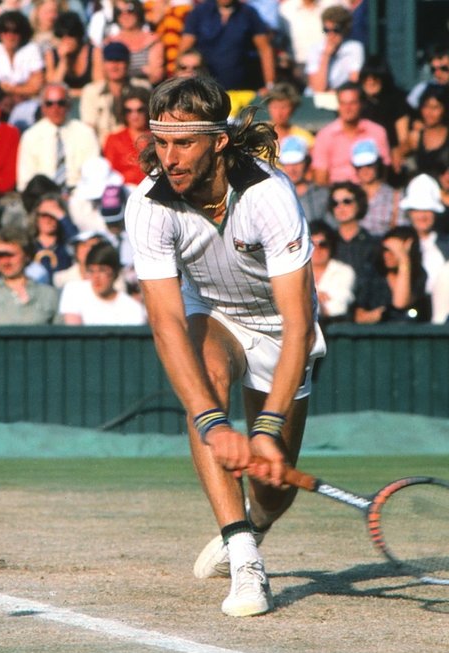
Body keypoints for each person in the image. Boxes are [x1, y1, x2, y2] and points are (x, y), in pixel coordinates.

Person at [125, 76, 326, 617]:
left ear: (218, 141)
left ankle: (254, 523)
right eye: (161, 142)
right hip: (213, 315)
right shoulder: (147, 204)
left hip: (284, 331)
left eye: (183, 142)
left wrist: (263, 431)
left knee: (274, 490)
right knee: (206, 378)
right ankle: (243, 556)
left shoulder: (269, 195)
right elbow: (167, 324)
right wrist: (214, 424)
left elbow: (298, 323)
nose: (169, 156)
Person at [17, 83, 101, 193]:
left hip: (79, 194)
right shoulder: (30, 136)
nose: (55, 109)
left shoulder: (85, 133)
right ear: (43, 107)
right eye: (49, 104)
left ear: (69, 105)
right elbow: (25, 180)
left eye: (61, 103)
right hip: (43, 195)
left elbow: (94, 173)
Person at [179, 0, 275, 95]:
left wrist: (270, 85)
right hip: (206, 89)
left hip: (242, 90)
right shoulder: (199, 12)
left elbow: (265, 49)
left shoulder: (248, 13)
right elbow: (184, 50)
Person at [311, 82, 390, 185]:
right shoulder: (325, 135)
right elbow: (321, 178)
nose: (347, 109)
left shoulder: (377, 131)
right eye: (343, 103)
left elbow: (384, 171)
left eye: (352, 103)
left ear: (361, 104)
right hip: (337, 193)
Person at [79, 42, 152, 147]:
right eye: (110, 61)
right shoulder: (91, 91)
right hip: (101, 148)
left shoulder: (142, 87)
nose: (114, 66)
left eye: (119, 61)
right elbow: (89, 127)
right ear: (103, 64)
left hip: (134, 147)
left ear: (127, 63)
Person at [353, 225, 430, 324]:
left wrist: (403, 260)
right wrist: (373, 316)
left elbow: (400, 303)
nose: (388, 255)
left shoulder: (419, 274)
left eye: (394, 251)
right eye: (386, 250)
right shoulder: (372, 273)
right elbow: (359, 315)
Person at [57, 240, 146, 325]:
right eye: (91, 271)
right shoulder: (73, 291)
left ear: (115, 272)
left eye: (102, 270)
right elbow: (74, 333)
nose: (96, 277)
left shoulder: (134, 310)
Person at [401, 84, 449, 180]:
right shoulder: (415, 136)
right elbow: (398, 155)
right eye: (425, 107)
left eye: (435, 108)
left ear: (446, 109)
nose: (429, 113)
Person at [0, 11, 46, 108]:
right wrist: (22, 88)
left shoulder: (31, 49)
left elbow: (36, 86)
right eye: (5, 31)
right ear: (0, 33)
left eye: (15, 32)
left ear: (22, 33)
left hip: (26, 101)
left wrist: (10, 90)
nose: (10, 36)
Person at [92, 1, 164, 86]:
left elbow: (156, 76)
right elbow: (99, 78)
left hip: (145, 90)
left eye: (130, 10)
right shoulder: (108, 43)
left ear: (138, 12)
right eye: (119, 12)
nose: (125, 15)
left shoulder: (152, 41)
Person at [397, 173, 447, 294]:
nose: (422, 216)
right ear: (409, 213)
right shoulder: (399, 242)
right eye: (417, 210)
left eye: (427, 210)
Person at [305, 5, 363, 94]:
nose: (331, 35)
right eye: (326, 30)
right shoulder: (315, 49)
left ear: (344, 30)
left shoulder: (354, 47)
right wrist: (326, 56)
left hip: (342, 95)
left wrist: (336, 92)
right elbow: (318, 88)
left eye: (336, 30)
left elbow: (354, 80)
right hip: (317, 96)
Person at [103, 85, 152, 187]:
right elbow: (109, 174)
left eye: (140, 110)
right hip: (123, 192)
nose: (134, 116)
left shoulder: (157, 138)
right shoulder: (114, 140)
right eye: (129, 111)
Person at [308, 219, 355, 323]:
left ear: (331, 246)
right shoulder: (297, 272)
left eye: (323, 244)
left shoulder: (344, 272)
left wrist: (307, 297)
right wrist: (316, 297)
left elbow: (338, 308)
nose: (317, 249)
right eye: (312, 245)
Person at [351, 140, 398, 237]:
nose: (365, 170)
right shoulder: (350, 196)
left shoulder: (394, 196)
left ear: (377, 164)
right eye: (360, 166)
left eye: (369, 165)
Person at [277, 136, 330, 224]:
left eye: (297, 163)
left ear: (307, 163)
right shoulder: (275, 195)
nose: (292, 169)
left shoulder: (322, 194)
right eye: (287, 163)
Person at [45, 11, 93, 89]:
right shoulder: (51, 55)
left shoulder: (93, 52)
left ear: (78, 36)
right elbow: (52, 88)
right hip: (62, 100)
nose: (67, 40)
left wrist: (69, 93)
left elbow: (99, 87)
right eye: (62, 36)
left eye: (71, 35)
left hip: (89, 100)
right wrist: (63, 60)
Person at [264, 82, 313, 149]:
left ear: (293, 109)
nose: (279, 113)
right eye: (275, 107)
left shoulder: (303, 137)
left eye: (284, 107)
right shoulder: (256, 134)